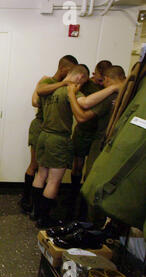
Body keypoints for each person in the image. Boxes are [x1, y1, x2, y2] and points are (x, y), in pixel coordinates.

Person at [20, 55, 78, 215]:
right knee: (35, 165)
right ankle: (26, 200)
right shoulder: (47, 81)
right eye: (70, 70)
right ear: (63, 68)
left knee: (44, 171)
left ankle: (37, 205)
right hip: (41, 126)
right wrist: (63, 84)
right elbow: (35, 101)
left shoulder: (66, 86)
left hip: (51, 129)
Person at [68, 65, 126, 223]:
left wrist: (71, 94)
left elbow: (83, 113)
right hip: (120, 143)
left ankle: (89, 220)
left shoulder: (110, 95)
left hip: (102, 141)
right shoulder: (131, 92)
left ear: (107, 79)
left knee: (91, 179)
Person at [67, 60, 112, 212]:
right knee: (77, 165)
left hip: (98, 133)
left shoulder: (109, 89)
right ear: (94, 73)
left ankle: (84, 205)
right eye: (100, 78)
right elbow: (82, 103)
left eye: (104, 79)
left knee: (91, 171)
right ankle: (73, 198)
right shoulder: (87, 85)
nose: (101, 82)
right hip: (83, 130)